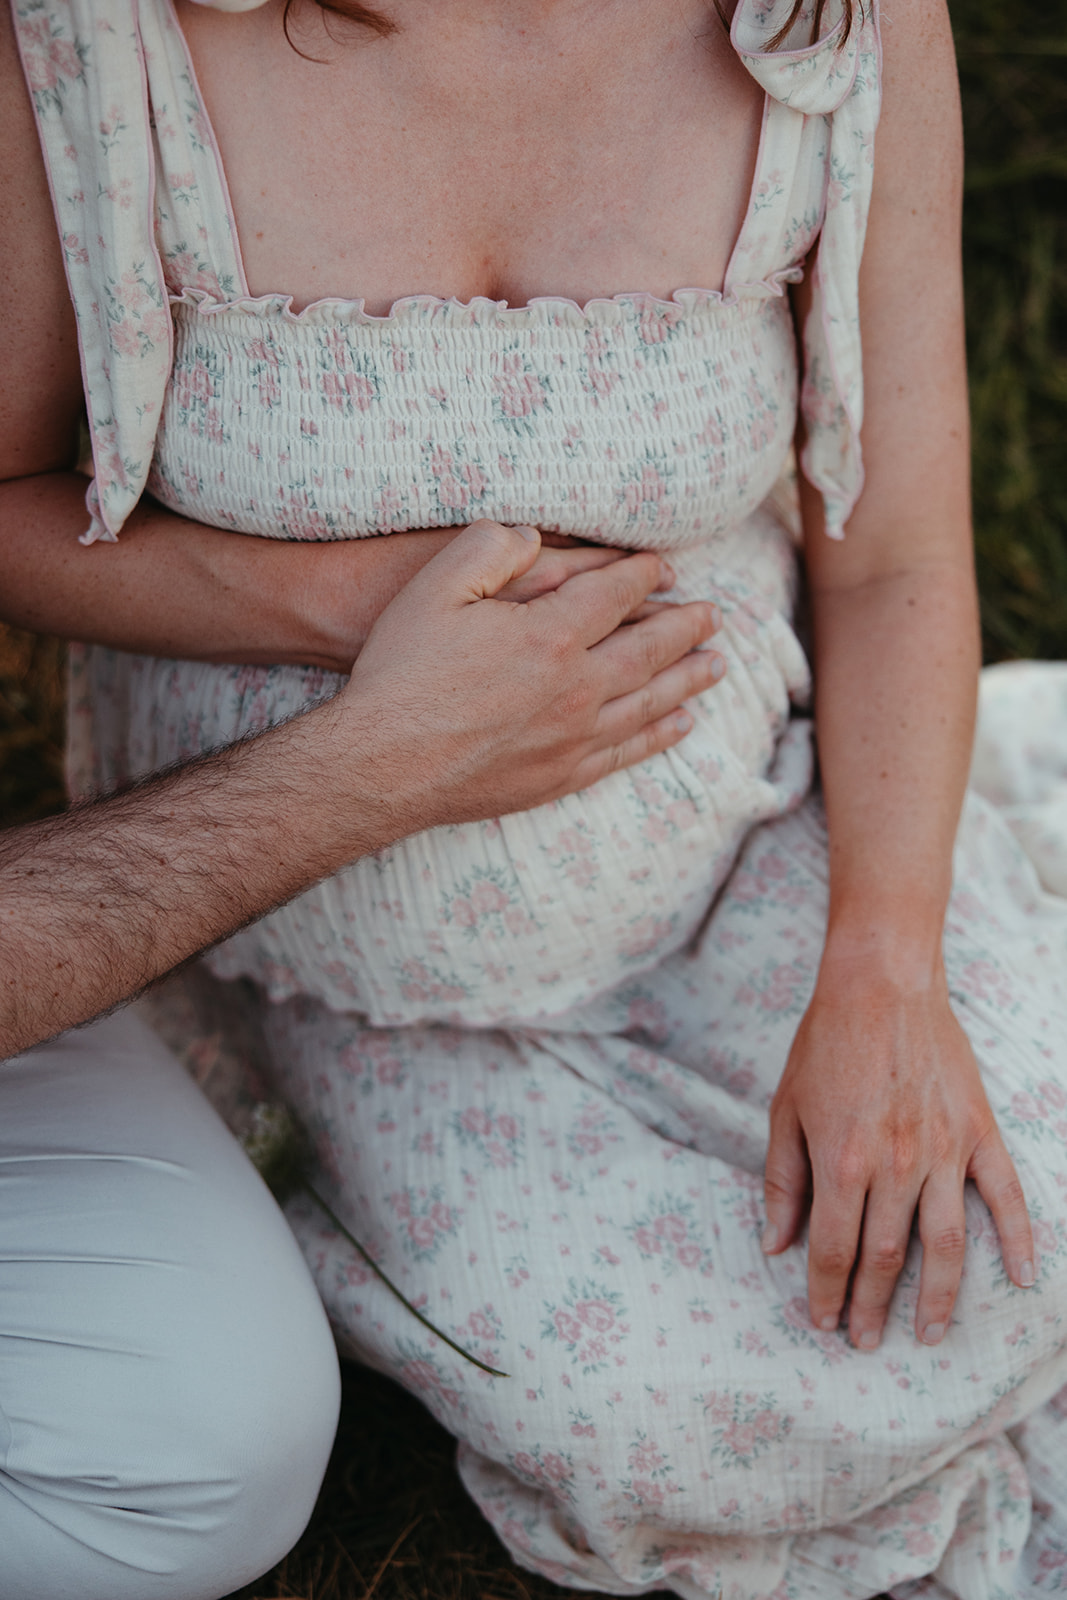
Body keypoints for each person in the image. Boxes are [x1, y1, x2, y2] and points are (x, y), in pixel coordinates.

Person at [3, 0, 1067, 1596]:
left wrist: (886, 971)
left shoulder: (827, 26)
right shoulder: (101, 38)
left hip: (749, 828)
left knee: (1014, 1232)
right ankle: (327, 1191)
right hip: (356, 967)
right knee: (649, 1412)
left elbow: (900, 549)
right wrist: (348, 611)